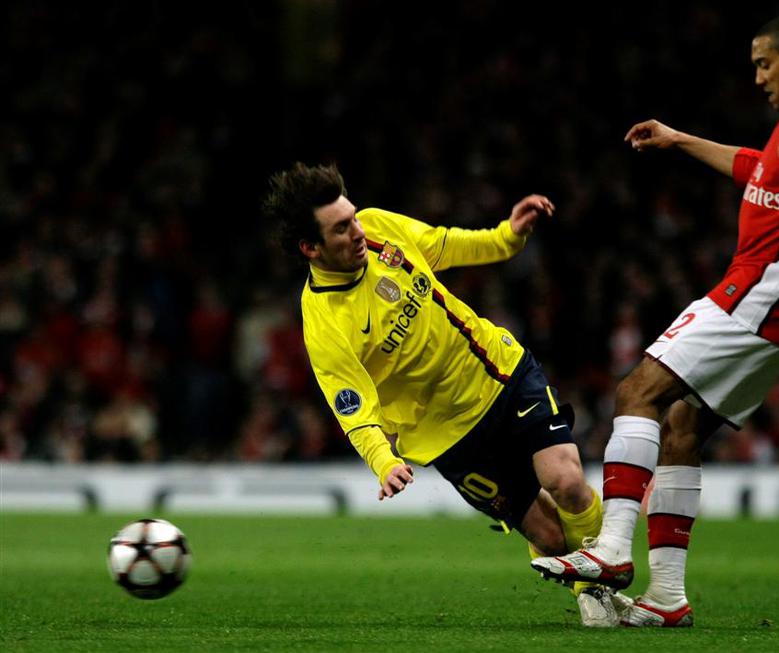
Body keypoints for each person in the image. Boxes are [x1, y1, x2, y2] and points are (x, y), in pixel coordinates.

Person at [531, 13, 779, 628]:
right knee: (681, 428)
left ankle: (612, 550)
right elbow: (758, 170)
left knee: (637, 392)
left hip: (758, 297)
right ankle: (667, 597)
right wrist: (680, 140)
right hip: (776, 311)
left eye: (764, 64)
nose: (758, 78)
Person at [262, 163, 630, 626]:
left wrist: (506, 237)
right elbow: (353, 407)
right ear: (310, 248)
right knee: (551, 538)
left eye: (353, 217)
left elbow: (443, 245)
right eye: (341, 228)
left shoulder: (377, 229)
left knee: (566, 480)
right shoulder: (323, 322)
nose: (357, 231)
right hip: (447, 436)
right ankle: (591, 583)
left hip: (498, 372)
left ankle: (595, 590)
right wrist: (384, 461)